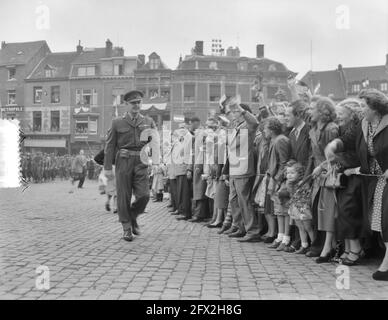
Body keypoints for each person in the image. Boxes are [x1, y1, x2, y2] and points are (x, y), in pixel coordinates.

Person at [325, 89, 388, 280]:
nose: (360, 110)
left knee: (386, 222)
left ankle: (386, 265)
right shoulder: (364, 124)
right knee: (377, 222)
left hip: (386, 179)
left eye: (364, 106)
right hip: (374, 181)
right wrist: (334, 144)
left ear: (375, 108)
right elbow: (347, 140)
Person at [104, 90, 159, 242]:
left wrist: (156, 162)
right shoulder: (117, 122)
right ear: (126, 104)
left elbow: (155, 143)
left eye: (138, 102)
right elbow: (109, 146)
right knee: (123, 196)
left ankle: (133, 215)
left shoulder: (148, 121)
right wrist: (107, 167)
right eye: (133, 103)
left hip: (141, 161)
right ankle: (127, 228)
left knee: (144, 195)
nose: (136, 105)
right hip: (124, 161)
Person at [222, 101, 261, 242]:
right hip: (234, 169)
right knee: (233, 200)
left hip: (244, 169)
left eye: (237, 112)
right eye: (234, 112)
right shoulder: (236, 127)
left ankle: (252, 230)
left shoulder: (248, 126)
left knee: (244, 201)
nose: (234, 114)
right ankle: (240, 226)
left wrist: (241, 109)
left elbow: (255, 122)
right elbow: (230, 149)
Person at [309, 97, 339, 263]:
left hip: (329, 174)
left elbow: (334, 155)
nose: (310, 111)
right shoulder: (314, 128)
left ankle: (327, 247)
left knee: (328, 212)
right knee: (319, 211)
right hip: (317, 175)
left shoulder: (331, 129)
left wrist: (321, 167)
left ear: (322, 112)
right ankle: (327, 245)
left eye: (313, 108)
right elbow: (312, 155)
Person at [265, 117, 292, 250]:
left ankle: (286, 238)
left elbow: (283, 162)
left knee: (285, 210)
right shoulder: (274, 140)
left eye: (266, 128)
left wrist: (276, 179)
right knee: (279, 210)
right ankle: (280, 236)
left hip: (281, 180)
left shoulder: (281, 140)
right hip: (275, 178)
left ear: (271, 129)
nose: (264, 131)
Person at [286, 161, 315, 254]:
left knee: (308, 227)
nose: (289, 175)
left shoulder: (303, 183)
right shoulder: (289, 183)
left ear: (300, 174)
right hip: (295, 208)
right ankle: (304, 245)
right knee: (300, 227)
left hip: (303, 208)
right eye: (287, 173)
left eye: (292, 173)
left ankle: (314, 246)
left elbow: (306, 196)